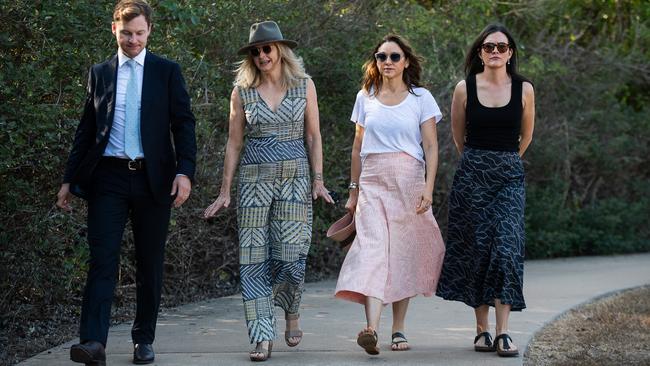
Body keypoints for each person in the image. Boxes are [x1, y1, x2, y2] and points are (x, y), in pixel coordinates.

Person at [55, 1, 197, 364]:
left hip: (155, 180)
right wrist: (69, 179)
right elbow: (87, 129)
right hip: (108, 178)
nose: (132, 40)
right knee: (102, 260)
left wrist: (185, 172)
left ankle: (143, 340)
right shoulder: (100, 72)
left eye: (139, 33)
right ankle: (93, 343)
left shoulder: (166, 71)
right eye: (126, 33)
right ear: (113, 29)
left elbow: (183, 124)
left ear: (149, 30)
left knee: (150, 261)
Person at [203, 21, 333, 362]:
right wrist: (225, 190)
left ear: (280, 50)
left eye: (267, 49)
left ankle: (291, 310)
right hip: (253, 183)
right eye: (256, 51)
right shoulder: (241, 91)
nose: (262, 55)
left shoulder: (304, 85)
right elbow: (234, 143)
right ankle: (261, 335)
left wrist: (318, 180)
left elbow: (314, 136)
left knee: (292, 254)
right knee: (253, 258)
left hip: (295, 178)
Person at [334, 34, 446, 355]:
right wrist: (353, 192)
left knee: (401, 254)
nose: (387, 62)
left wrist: (428, 187)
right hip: (372, 182)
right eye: (381, 56)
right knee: (372, 251)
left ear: (405, 61)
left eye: (394, 57)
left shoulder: (420, 98)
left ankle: (398, 329)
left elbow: (431, 146)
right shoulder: (365, 96)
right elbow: (357, 148)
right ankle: (371, 329)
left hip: (408, 182)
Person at [435, 23, 535, 358]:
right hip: (472, 176)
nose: (495, 52)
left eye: (501, 47)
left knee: (506, 249)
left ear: (510, 53)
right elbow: (457, 136)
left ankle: (504, 332)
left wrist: (504, 162)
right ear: (480, 52)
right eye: (488, 47)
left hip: (508, 176)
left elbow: (527, 136)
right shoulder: (464, 88)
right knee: (477, 251)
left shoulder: (525, 88)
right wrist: (479, 163)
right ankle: (481, 330)